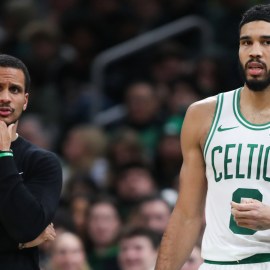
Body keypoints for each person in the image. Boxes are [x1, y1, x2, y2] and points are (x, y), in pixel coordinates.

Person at [155, 4, 270, 270]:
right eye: (246, 42)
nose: (255, 51)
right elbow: (186, 214)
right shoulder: (203, 114)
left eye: (266, 42)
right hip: (219, 263)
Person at [0, 54, 62, 269]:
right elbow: (27, 234)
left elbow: (28, 227)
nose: (5, 97)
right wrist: (18, 243)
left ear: (25, 101)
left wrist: (4, 154)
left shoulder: (42, 162)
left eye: (14, 89)